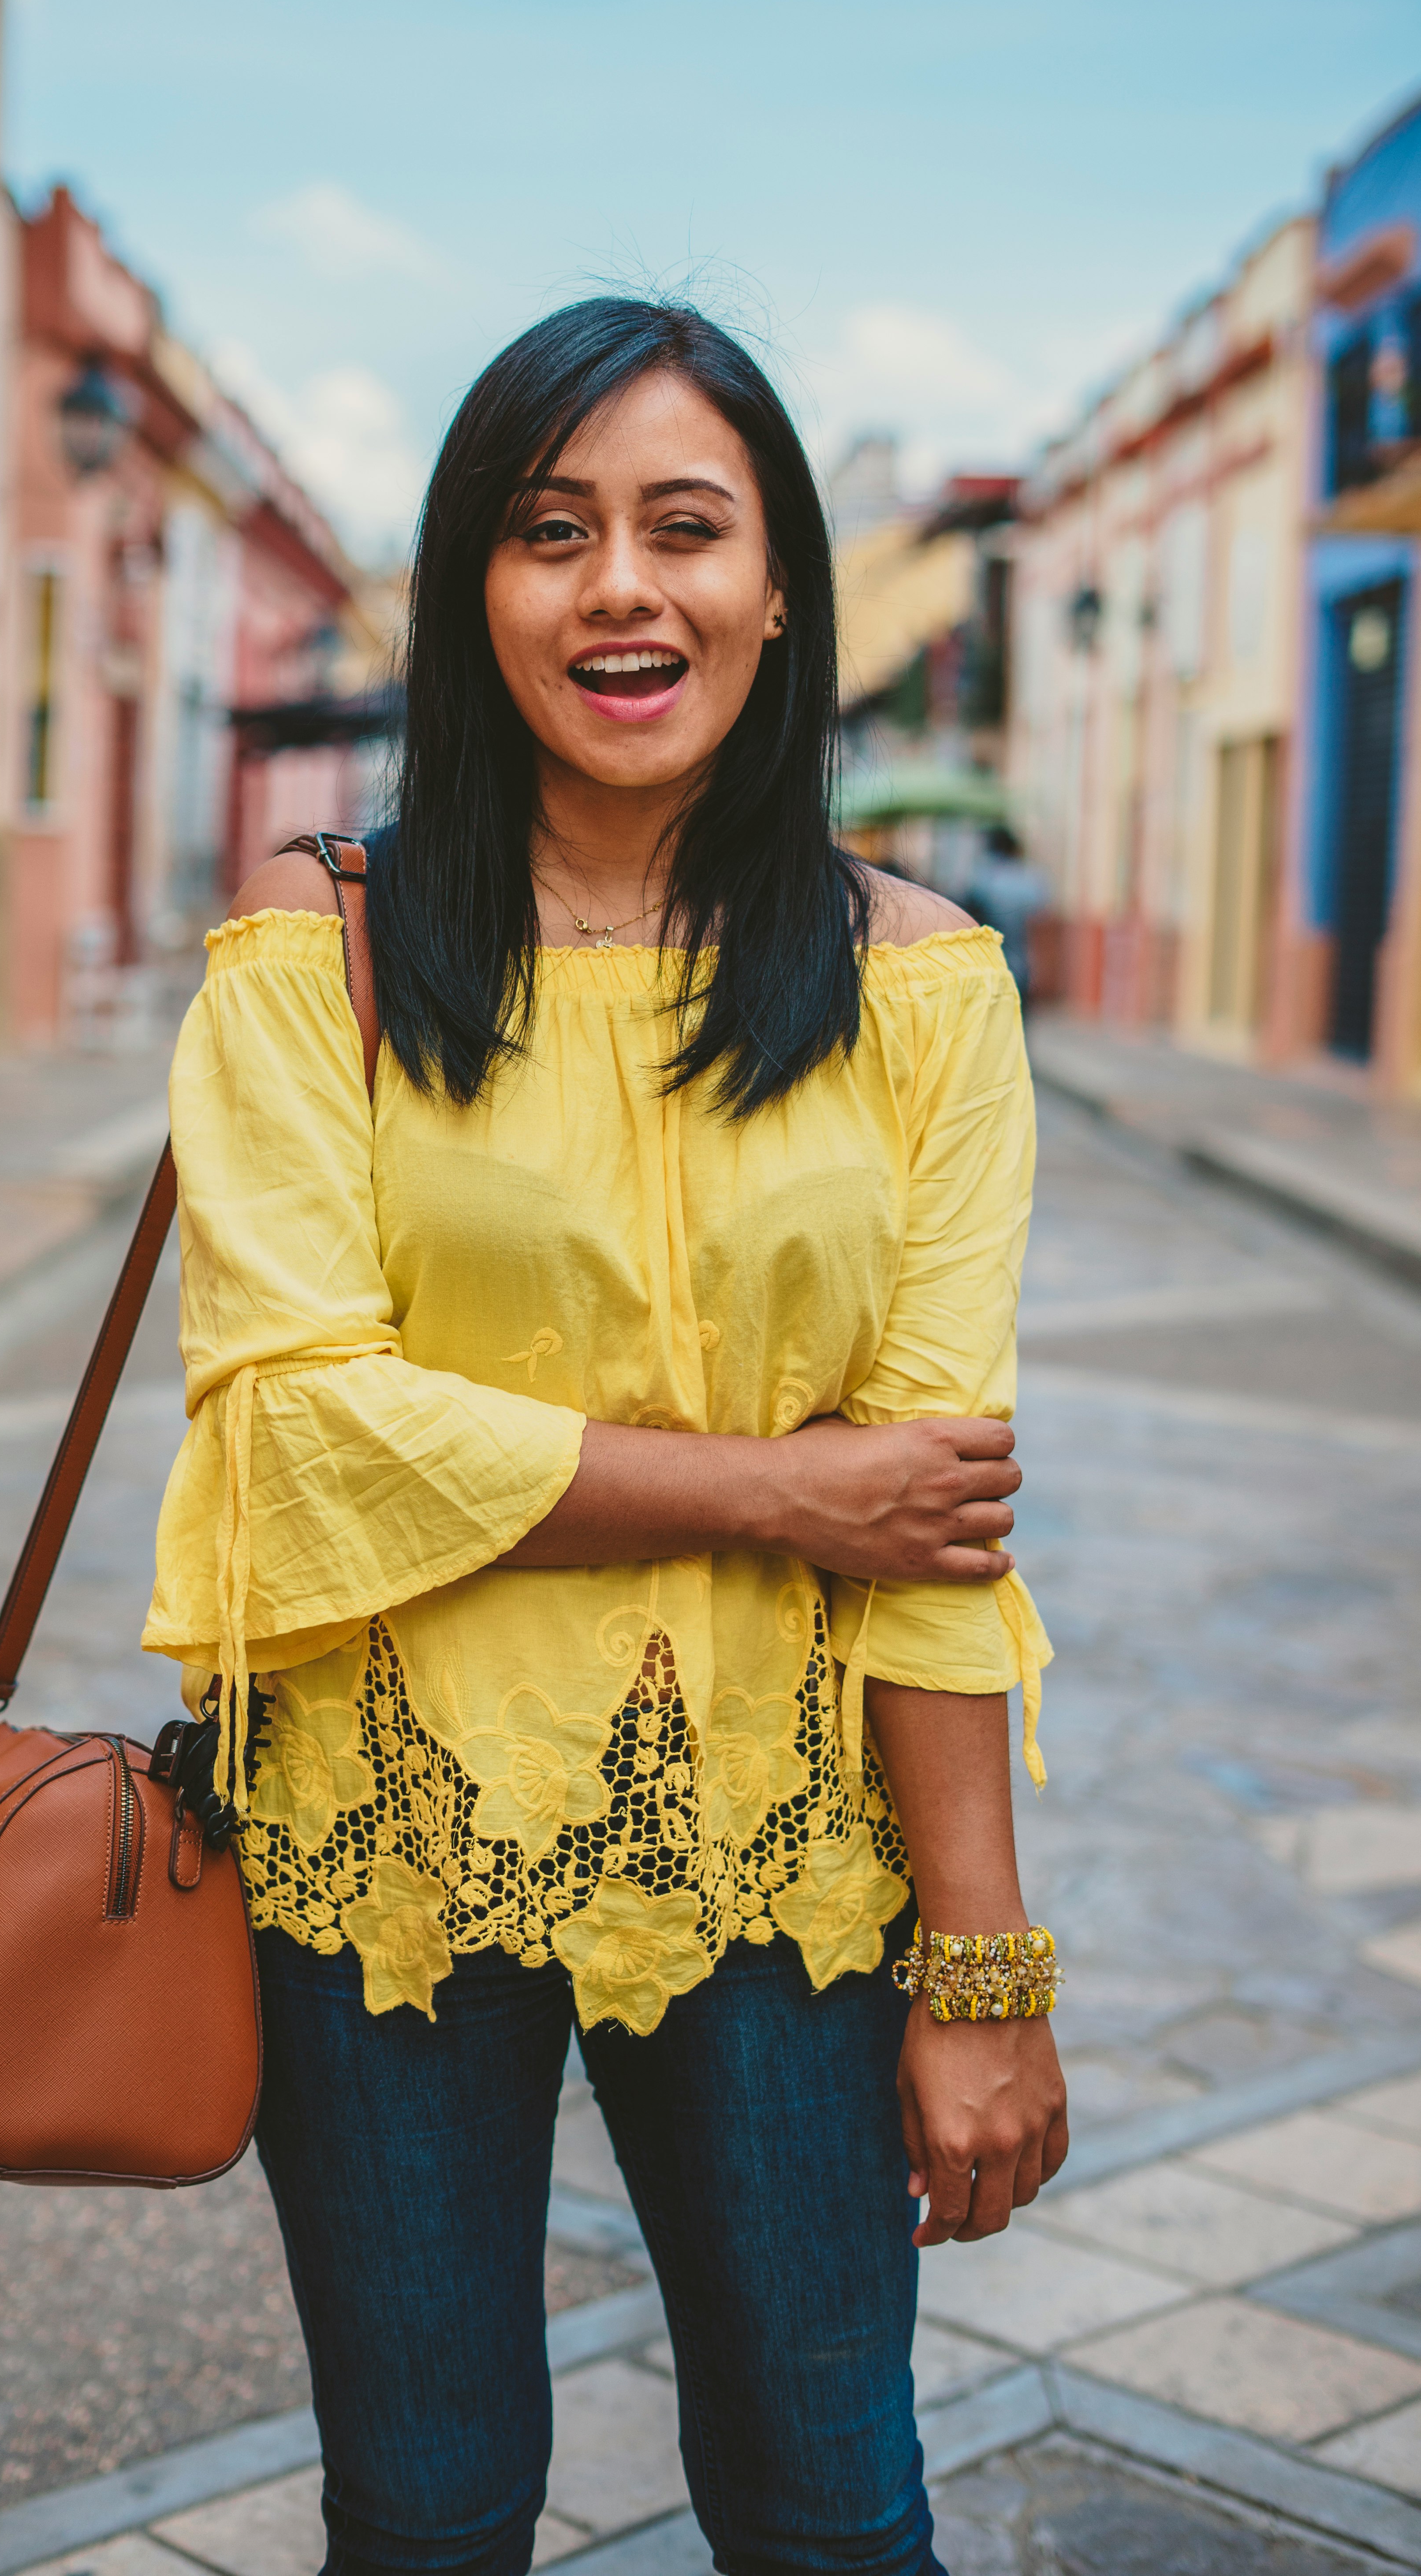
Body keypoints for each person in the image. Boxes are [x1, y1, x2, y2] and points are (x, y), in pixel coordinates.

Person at [145, 299, 1067, 2576]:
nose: (621, 588)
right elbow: (297, 1435)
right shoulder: (314, 954)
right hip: (381, 1859)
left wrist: (982, 1979)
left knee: (837, 2511)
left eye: (686, 528)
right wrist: (778, 1489)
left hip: (782, 1857)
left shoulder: (923, 991)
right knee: (433, 2514)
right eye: (552, 533)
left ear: (778, 591)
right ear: (475, 588)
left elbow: (933, 1534)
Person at [962, 825, 1048, 1009]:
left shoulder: (980, 877)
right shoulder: (1029, 881)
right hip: (1020, 967)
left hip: (985, 965)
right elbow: (1039, 927)